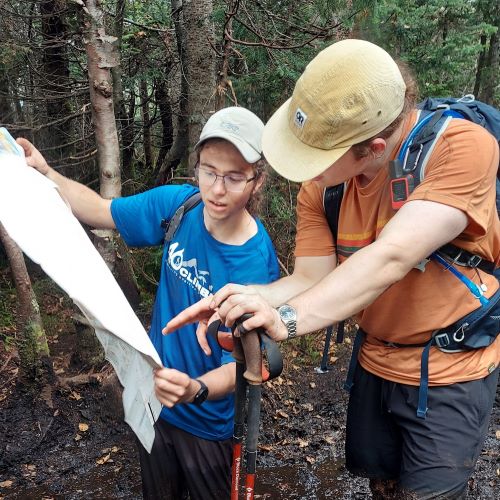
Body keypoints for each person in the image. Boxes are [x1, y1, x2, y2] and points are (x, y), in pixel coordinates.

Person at [165, 40, 500, 499]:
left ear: (374, 148)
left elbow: (393, 255)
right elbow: (310, 278)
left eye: (317, 159)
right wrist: (243, 297)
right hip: (375, 361)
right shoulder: (323, 189)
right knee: (382, 486)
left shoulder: (462, 148)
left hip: (448, 371)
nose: (307, 171)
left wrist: (282, 320)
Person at [17, 106, 280, 500]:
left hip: (207, 424)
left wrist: (196, 389)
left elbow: (246, 364)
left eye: (234, 177)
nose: (217, 189)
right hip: (154, 405)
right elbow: (102, 211)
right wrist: (46, 173)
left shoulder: (255, 263)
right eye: (208, 171)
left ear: (257, 181)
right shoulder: (181, 207)